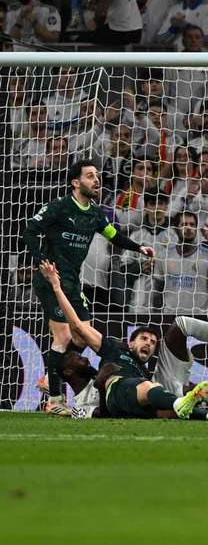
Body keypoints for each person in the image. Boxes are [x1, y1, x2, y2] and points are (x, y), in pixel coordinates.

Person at [22, 160, 154, 416]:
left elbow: (113, 235)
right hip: (52, 279)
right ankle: (55, 399)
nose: (97, 180)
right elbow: (29, 232)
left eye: (97, 176)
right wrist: (42, 262)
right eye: (90, 176)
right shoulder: (59, 207)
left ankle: (51, 378)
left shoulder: (94, 213)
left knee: (82, 335)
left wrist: (139, 248)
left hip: (72, 280)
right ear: (76, 182)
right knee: (62, 337)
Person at [38, 261, 208, 421]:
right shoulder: (112, 351)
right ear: (130, 343)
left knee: (163, 409)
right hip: (121, 390)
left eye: (152, 342)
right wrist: (56, 286)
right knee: (148, 388)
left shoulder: (143, 371)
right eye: (144, 338)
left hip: (135, 401)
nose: (149, 344)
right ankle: (183, 403)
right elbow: (78, 325)